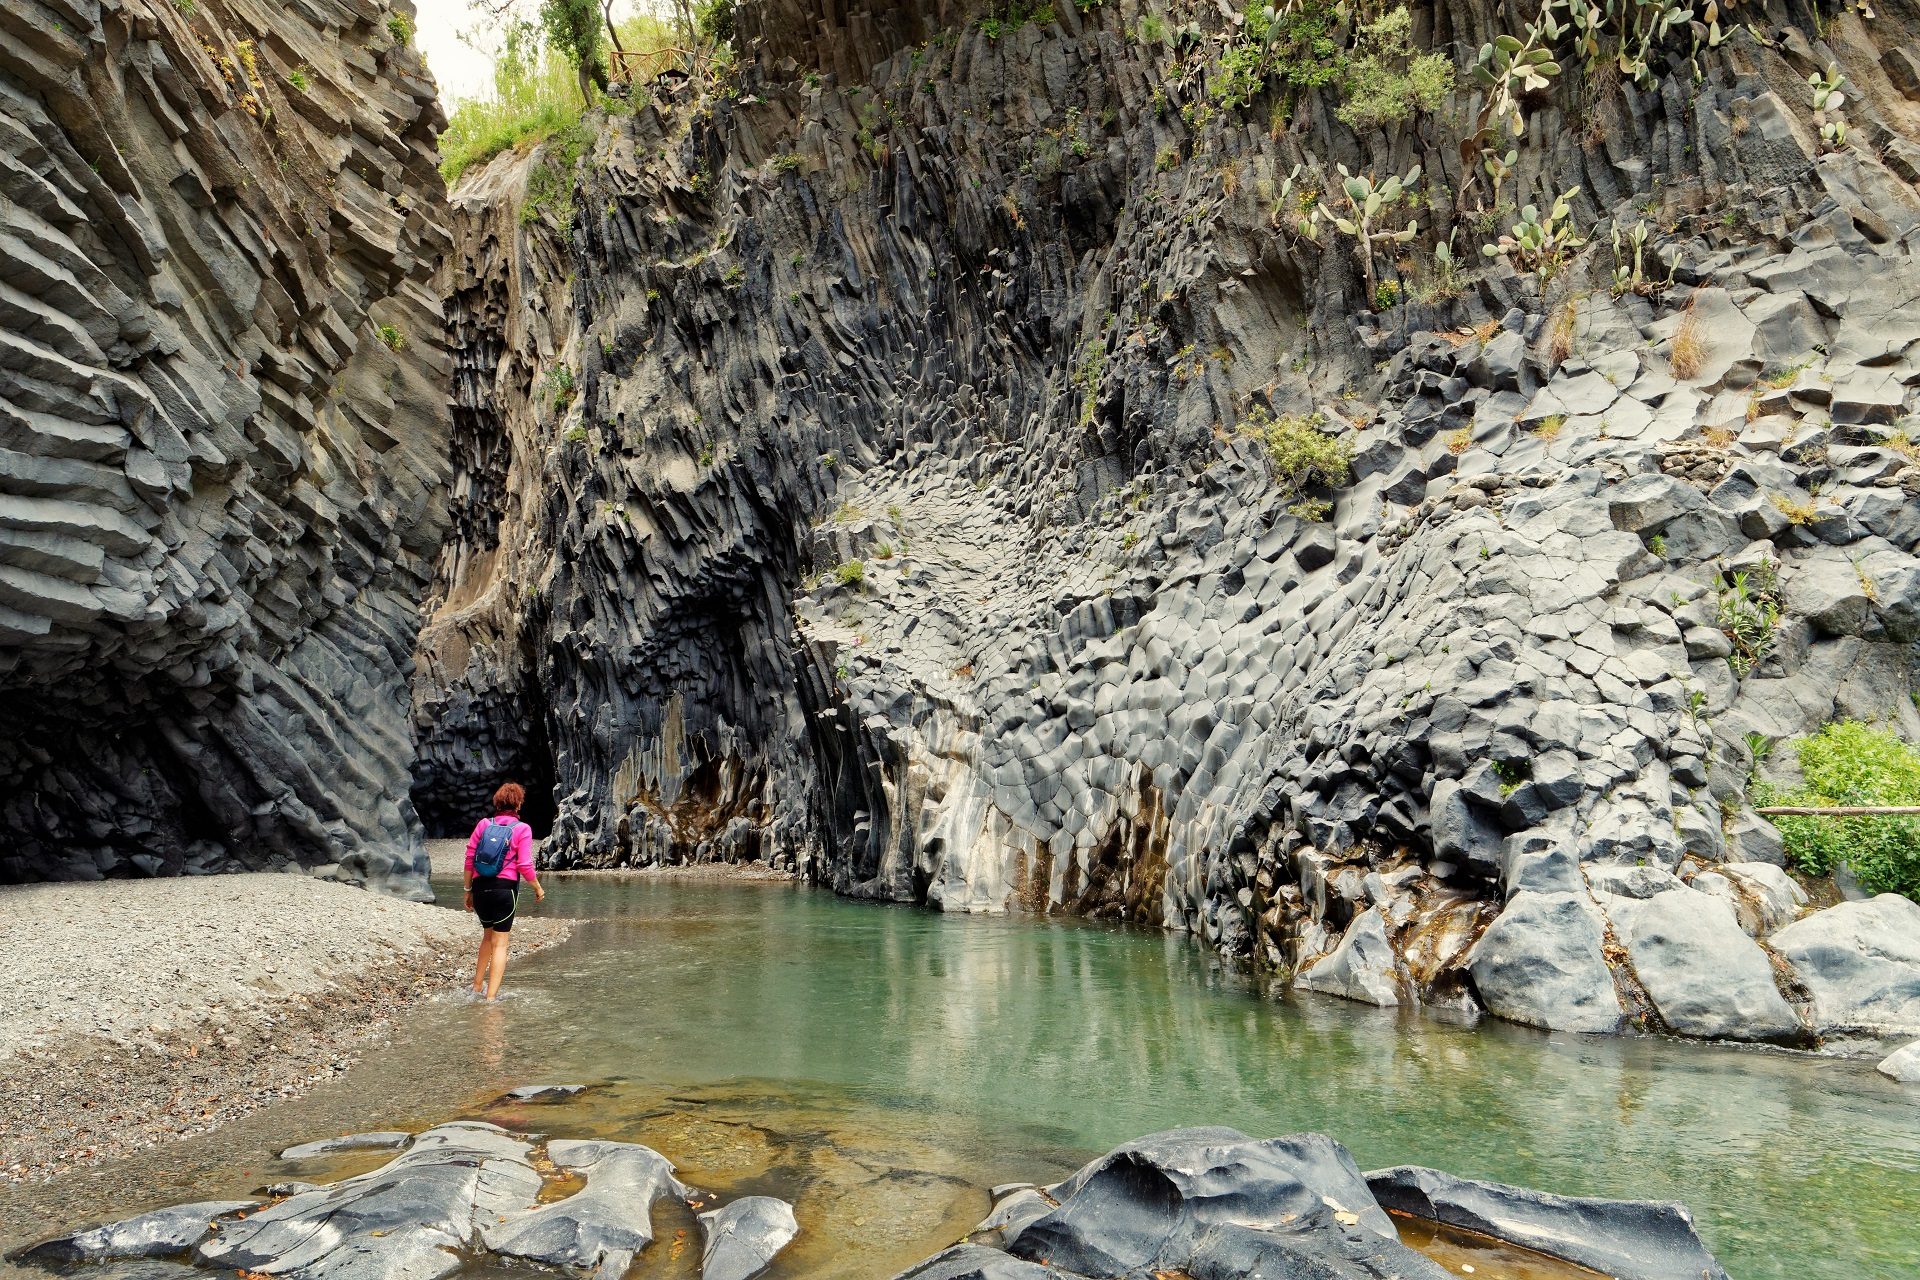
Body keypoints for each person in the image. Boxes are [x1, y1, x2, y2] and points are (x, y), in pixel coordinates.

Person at [464, 781, 544, 1000]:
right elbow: (524, 865)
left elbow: (470, 858)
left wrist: (467, 890)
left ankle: (476, 987)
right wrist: (537, 888)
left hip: (480, 889)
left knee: (487, 938)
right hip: (504, 891)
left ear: (497, 802)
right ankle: (490, 999)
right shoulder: (522, 829)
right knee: (500, 944)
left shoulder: (483, 824)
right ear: (518, 805)